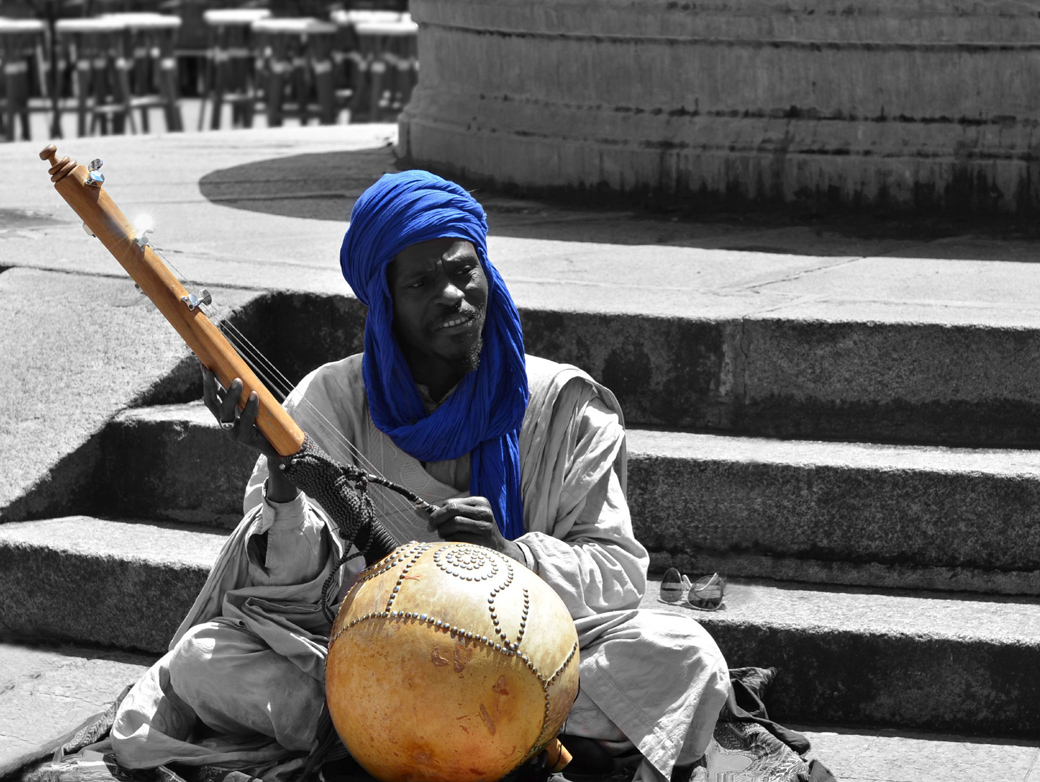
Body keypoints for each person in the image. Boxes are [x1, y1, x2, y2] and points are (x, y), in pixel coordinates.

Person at [109, 171, 731, 782]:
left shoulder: (562, 407)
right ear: (386, 301)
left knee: (685, 656)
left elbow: (618, 572)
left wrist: (511, 557)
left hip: (525, 661)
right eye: (421, 283)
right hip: (375, 663)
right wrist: (281, 476)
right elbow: (283, 592)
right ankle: (490, 742)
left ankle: (391, 744)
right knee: (203, 661)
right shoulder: (326, 400)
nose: (453, 295)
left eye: (464, 271)